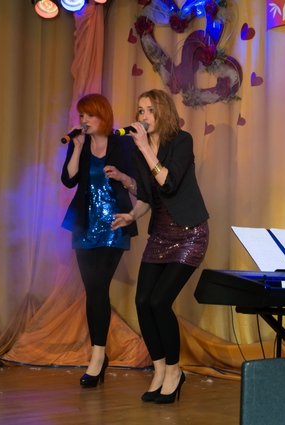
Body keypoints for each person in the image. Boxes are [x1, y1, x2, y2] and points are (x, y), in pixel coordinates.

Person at [111, 89, 209, 404]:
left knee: (160, 301)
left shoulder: (181, 141)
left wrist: (144, 147)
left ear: (163, 112)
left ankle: (174, 371)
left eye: (150, 110)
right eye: (140, 111)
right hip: (161, 234)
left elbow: (168, 183)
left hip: (189, 233)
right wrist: (131, 215)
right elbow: (146, 197)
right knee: (143, 301)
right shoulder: (137, 153)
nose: (143, 117)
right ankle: (158, 370)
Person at [60, 93, 138, 388]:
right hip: (85, 225)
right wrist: (78, 148)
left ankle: (97, 357)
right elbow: (68, 180)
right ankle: (98, 356)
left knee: (98, 287)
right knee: (92, 290)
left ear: (102, 116)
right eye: (81, 115)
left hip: (114, 225)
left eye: (89, 115)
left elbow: (137, 184)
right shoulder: (79, 143)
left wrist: (120, 175)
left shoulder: (122, 143)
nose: (83, 120)